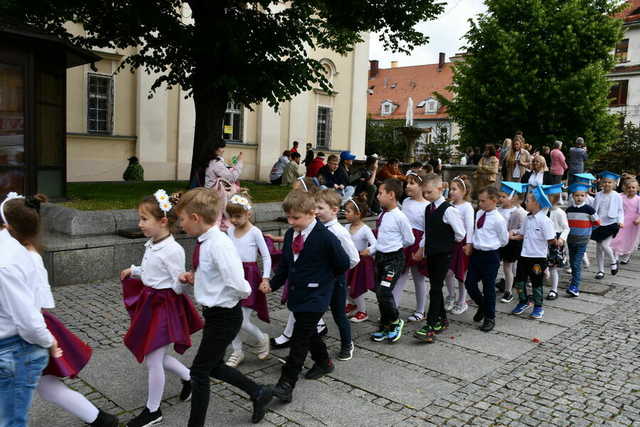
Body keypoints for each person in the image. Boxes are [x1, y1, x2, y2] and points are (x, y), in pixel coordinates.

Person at [174, 188, 273, 426]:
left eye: (182, 219)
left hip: (225, 315)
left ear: (196, 218)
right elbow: (215, 275)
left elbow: (237, 281)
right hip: (216, 314)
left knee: (199, 372)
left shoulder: (218, 243)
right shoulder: (206, 241)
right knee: (214, 366)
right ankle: (259, 392)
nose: (181, 224)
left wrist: (243, 294)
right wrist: (196, 278)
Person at [119, 190, 204, 427]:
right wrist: (134, 271)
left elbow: (177, 285)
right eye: (141, 218)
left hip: (163, 307)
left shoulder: (172, 250)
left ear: (163, 221)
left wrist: (185, 279)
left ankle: (153, 411)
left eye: (145, 219)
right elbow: (150, 270)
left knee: (154, 360)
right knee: (154, 355)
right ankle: (190, 379)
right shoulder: (154, 243)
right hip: (151, 304)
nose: (140, 224)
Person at [260, 190, 349, 404]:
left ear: (312, 213)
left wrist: (323, 281)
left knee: (299, 340)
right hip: (298, 294)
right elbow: (287, 266)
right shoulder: (292, 234)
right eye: (288, 218)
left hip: (317, 295)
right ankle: (324, 362)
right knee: (308, 332)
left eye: (296, 218)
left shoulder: (326, 237)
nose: (291, 222)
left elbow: (343, 264)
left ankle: (286, 384)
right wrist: (273, 284)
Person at [0, 193, 62, 426]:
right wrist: (49, 340)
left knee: (12, 419)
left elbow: (28, 318)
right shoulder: (12, 256)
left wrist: (48, 340)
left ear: (6, 225)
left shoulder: (9, 259)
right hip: (15, 349)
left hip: (15, 349)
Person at [413, 174, 465, 343]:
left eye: (429, 192)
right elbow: (427, 232)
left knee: (435, 288)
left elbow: (460, 233)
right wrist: (422, 248)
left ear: (440, 189)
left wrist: (445, 242)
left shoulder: (449, 210)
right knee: (435, 287)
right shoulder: (428, 209)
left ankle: (431, 324)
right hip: (431, 254)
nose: (426, 196)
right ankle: (442, 319)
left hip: (443, 253)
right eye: (424, 193)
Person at [224, 193, 272, 368]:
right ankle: (237, 351)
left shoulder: (255, 232)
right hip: (233, 276)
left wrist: (265, 278)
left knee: (241, 319)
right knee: (231, 317)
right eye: (231, 217)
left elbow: (266, 257)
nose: (234, 220)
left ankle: (261, 338)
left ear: (248, 214)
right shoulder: (229, 231)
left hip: (250, 278)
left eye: (238, 216)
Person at [314, 190, 360, 361]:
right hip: (320, 278)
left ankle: (347, 343)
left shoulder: (339, 232)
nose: (316, 211)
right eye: (315, 207)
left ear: (334, 210)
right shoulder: (317, 227)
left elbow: (354, 258)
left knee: (339, 314)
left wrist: (337, 270)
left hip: (336, 280)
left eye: (320, 207)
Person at [370, 179, 415, 343]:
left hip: (394, 259)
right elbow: (381, 238)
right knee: (379, 293)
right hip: (380, 258)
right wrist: (373, 250)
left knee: (385, 291)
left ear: (391, 195)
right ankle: (385, 324)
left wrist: (395, 247)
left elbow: (409, 239)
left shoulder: (400, 216)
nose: (377, 196)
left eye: (380, 193)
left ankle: (396, 321)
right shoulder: (382, 214)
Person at [464, 187, 509, 332]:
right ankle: (482, 305)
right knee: (469, 283)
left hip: (491, 255)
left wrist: (490, 246)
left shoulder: (499, 220)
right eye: (479, 200)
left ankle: (490, 317)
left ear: (494, 201)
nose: (480, 203)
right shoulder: (479, 213)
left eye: (483, 201)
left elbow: (504, 240)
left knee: (488, 287)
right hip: (477, 254)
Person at [511, 187, 556, 320]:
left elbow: (551, 239)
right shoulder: (527, 218)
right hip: (524, 256)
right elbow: (522, 234)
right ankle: (523, 301)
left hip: (538, 258)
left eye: (528, 201)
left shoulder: (545, 221)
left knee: (537, 283)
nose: (525, 203)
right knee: (519, 282)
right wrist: (512, 236)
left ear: (536, 204)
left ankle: (538, 306)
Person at [391, 171, 429, 323]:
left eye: (412, 183)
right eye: (407, 182)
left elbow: (427, 229)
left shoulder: (427, 206)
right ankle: (393, 309)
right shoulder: (406, 202)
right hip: (405, 241)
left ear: (422, 186)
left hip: (419, 243)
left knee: (419, 277)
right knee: (400, 275)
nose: (408, 186)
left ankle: (420, 310)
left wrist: (422, 248)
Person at [445, 175, 475, 315]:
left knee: (461, 274)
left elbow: (469, 227)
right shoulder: (449, 205)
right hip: (450, 243)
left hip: (462, 244)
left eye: (454, 189)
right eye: (450, 189)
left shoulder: (467, 207)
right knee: (448, 272)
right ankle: (451, 296)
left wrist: (469, 244)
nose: (451, 192)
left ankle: (462, 301)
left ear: (464, 191)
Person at [344, 195, 377, 323]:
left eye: (348, 211)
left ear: (358, 214)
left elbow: (375, 243)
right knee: (345, 285)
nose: (345, 213)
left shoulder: (365, 229)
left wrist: (368, 251)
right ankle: (353, 305)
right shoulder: (346, 227)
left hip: (360, 262)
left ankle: (363, 311)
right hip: (348, 261)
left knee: (356, 286)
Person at [566, 183, 600, 297]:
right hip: (570, 240)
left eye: (582, 195)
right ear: (572, 196)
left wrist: (588, 232)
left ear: (585, 196)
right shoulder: (569, 210)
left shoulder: (589, 210)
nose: (579, 198)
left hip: (583, 240)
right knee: (572, 262)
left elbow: (597, 223)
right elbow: (566, 225)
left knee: (576, 263)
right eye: (576, 195)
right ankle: (574, 280)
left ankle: (575, 286)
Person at [497, 183, 528, 303]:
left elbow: (521, 228)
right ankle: (501, 285)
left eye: (504, 197)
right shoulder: (498, 210)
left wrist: (513, 232)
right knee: (497, 266)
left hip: (511, 243)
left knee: (507, 267)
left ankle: (508, 291)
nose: (500, 199)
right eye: (500, 196)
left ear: (513, 198)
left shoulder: (518, 212)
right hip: (498, 242)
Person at [592, 172, 625, 279]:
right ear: (601, 183)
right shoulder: (598, 195)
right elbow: (594, 209)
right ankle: (600, 270)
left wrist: (621, 221)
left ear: (614, 184)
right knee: (599, 248)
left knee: (605, 245)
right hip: (599, 223)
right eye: (605, 182)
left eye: (610, 182)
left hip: (612, 223)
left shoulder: (617, 196)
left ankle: (613, 261)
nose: (607, 184)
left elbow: (620, 210)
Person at [545, 189, 570, 300]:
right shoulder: (544, 210)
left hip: (555, 240)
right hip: (544, 240)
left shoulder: (560, 213)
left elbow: (566, 228)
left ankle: (554, 289)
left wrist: (562, 239)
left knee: (553, 267)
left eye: (550, 197)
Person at [611, 179, 640, 265]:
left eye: (633, 187)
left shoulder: (638, 199)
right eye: (629, 187)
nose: (631, 189)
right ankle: (616, 256)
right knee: (618, 238)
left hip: (633, 223)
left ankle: (627, 256)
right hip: (622, 221)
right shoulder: (621, 197)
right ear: (625, 188)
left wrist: (638, 219)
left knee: (631, 240)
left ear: (637, 188)